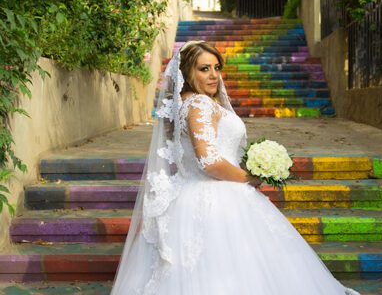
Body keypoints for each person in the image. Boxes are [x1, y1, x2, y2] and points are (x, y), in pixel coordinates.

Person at [111, 40, 359, 295]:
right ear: (187, 72)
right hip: (215, 195)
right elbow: (208, 162)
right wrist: (248, 177)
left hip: (197, 192)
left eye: (216, 67)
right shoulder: (199, 104)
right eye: (204, 69)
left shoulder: (189, 102)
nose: (214, 75)